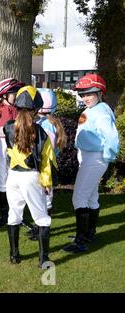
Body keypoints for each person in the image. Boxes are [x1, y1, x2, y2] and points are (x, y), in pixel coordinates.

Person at [63, 74, 119, 253]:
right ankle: (89, 233)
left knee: (79, 197)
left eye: (89, 94)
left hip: (95, 158)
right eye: (82, 95)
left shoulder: (101, 111)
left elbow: (111, 137)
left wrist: (108, 156)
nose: (85, 98)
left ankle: (80, 240)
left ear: (100, 93)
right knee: (91, 197)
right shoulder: (94, 109)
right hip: (88, 156)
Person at [3, 85, 56, 269]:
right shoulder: (41, 132)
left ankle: (14, 256)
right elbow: (46, 161)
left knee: (14, 214)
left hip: (13, 177)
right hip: (31, 178)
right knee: (42, 218)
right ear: (36, 109)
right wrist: (47, 183)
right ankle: (43, 260)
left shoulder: (7, 128)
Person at [23, 88, 68, 241]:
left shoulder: (46, 125)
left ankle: (43, 229)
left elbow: (46, 148)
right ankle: (39, 227)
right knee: (42, 198)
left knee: (44, 199)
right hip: (46, 165)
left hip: (45, 166)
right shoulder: (49, 122)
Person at [0, 78, 25, 227]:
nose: (17, 95)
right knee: (2, 181)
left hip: (17, 147)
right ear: (5, 95)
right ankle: (4, 214)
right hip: (0, 148)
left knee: (17, 181)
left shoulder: (20, 109)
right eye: (14, 93)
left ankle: (17, 215)